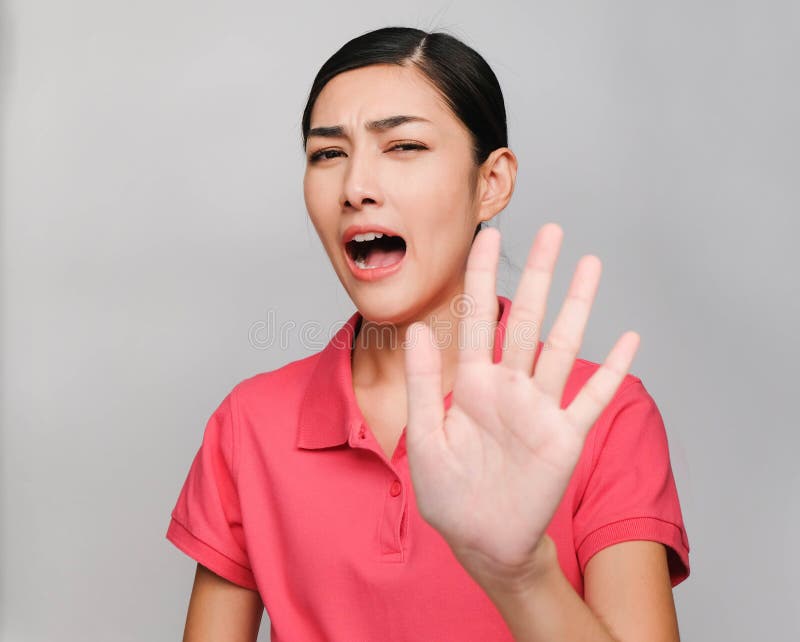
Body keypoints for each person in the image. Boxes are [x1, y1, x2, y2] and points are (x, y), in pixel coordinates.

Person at [166, 26, 690, 641]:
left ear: (490, 183)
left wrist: (521, 576)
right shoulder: (248, 425)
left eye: (405, 146)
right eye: (327, 154)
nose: (356, 187)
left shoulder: (605, 420)